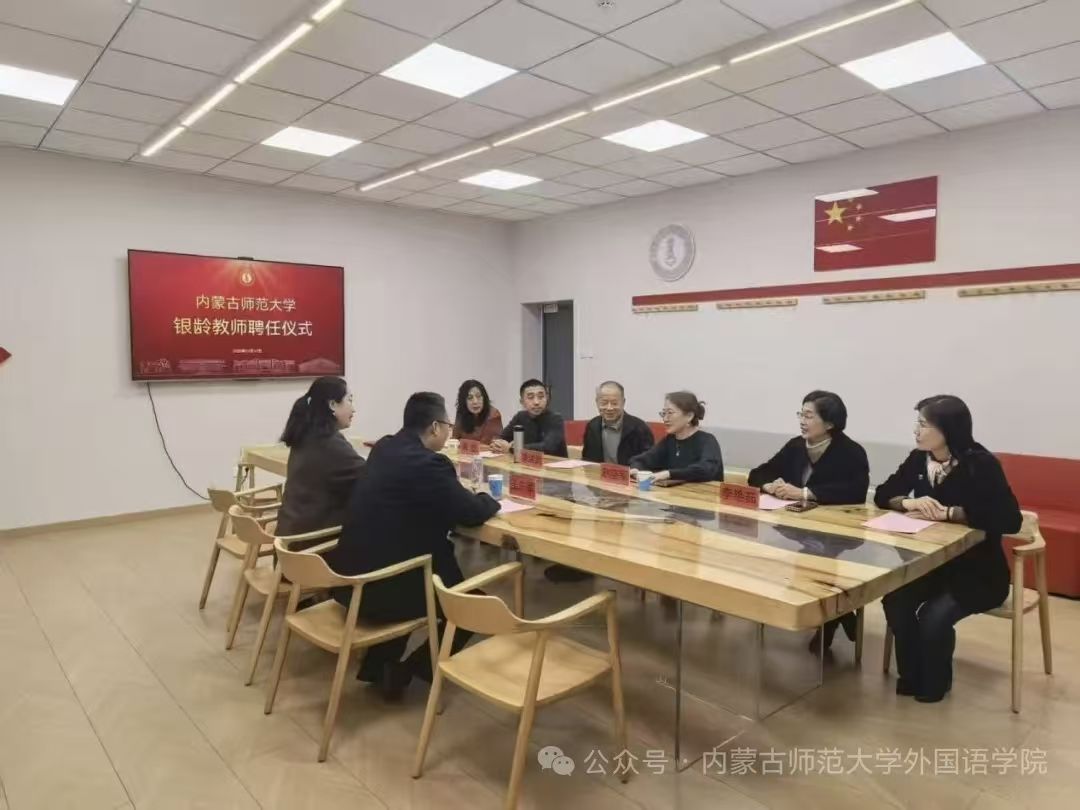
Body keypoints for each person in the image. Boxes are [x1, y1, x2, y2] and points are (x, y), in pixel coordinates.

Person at [324, 392, 501, 698]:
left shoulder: (384, 447)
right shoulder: (430, 464)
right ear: (434, 427)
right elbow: (470, 513)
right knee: (476, 606)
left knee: (402, 564)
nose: (448, 432)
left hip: (350, 578)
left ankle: (378, 668)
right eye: (447, 426)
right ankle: (406, 672)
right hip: (385, 587)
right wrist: (490, 499)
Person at [874, 395, 1021, 703]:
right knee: (896, 601)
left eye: (924, 424)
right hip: (931, 566)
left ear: (948, 429)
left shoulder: (980, 463)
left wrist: (951, 513)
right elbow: (884, 493)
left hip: (979, 574)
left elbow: (1010, 518)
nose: (916, 431)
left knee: (934, 615)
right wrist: (908, 502)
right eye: (917, 423)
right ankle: (912, 676)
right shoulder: (919, 458)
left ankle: (935, 683)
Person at [748, 390, 870, 651]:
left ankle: (831, 617)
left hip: (836, 532)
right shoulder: (796, 445)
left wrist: (805, 493)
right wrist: (770, 486)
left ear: (830, 423)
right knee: (764, 551)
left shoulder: (851, 452)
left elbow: (855, 492)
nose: (802, 421)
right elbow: (758, 473)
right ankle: (840, 612)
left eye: (809, 416)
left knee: (817, 561)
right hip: (796, 528)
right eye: (800, 414)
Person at [275, 376, 364, 537]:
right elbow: (369, 478)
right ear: (332, 405)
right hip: (310, 542)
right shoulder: (329, 443)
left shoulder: (307, 435)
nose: (353, 409)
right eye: (349, 400)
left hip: (288, 534)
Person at [628, 391, 723, 483]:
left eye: (670, 413)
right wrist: (637, 469)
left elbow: (706, 469)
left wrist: (668, 474)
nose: (665, 419)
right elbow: (640, 460)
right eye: (664, 413)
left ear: (689, 416)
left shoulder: (707, 440)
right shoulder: (670, 440)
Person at [581, 381, 655, 466]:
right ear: (597, 402)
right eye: (604, 403)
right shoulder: (592, 426)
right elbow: (587, 459)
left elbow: (649, 461)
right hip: (598, 474)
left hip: (630, 474)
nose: (609, 408)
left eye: (614, 403)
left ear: (623, 402)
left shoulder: (639, 428)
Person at [490, 379, 568, 457]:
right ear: (522, 402)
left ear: (546, 398)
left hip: (554, 463)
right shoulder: (520, 417)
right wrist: (497, 444)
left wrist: (512, 448)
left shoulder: (555, 419)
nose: (536, 402)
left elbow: (548, 447)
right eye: (531, 397)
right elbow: (502, 437)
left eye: (541, 397)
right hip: (527, 462)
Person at [452, 379, 503, 444]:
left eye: (478, 396)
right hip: (464, 450)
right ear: (464, 401)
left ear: (484, 398)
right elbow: (455, 439)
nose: (475, 402)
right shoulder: (462, 411)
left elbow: (488, 445)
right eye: (470, 398)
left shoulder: (493, 415)